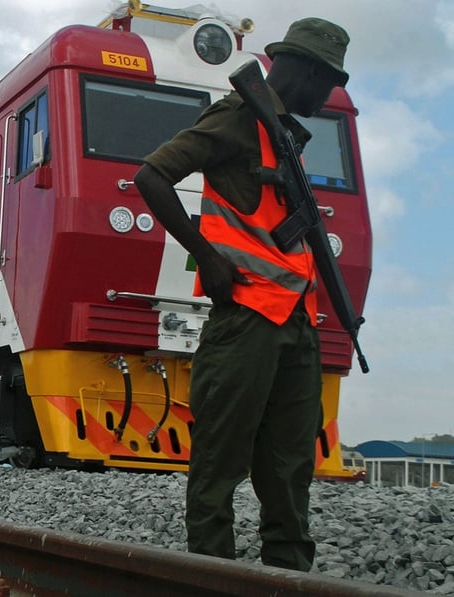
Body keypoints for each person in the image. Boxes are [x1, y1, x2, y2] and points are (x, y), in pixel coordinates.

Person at [133, 18, 350, 572]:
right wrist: (205, 256)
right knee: (220, 460)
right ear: (302, 70)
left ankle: (287, 575)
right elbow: (153, 175)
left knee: (290, 466)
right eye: (327, 83)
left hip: (296, 321)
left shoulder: (283, 134)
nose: (328, 96)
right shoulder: (237, 117)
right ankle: (212, 577)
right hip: (247, 319)